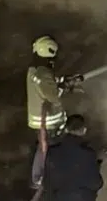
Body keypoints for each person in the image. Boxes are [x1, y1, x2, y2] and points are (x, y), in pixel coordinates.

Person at [27, 36, 81, 187]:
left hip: (39, 120)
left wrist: (66, 80)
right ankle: (39, 179)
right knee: (45, 149)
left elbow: (49, 82)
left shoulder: (36, 70)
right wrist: (65, 87)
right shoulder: (43, 73)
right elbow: (53, 95)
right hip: (48, 122)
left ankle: (41, 177)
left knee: (43, 148)